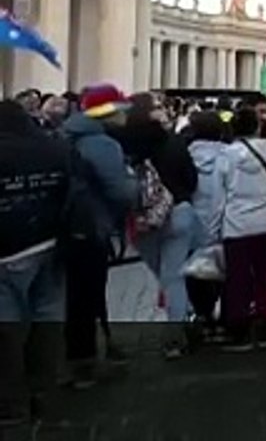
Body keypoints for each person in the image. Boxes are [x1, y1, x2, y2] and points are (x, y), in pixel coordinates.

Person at [0, 100, 73, 427]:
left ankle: (12, 403)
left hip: (7, 251)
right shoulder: (55, 148)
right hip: (51, 244)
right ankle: (44, 392)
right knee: (47, 319)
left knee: (8, 328)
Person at [61, 85, 139, 388]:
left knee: (73, 296)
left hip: (69, 226)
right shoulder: (102, 145)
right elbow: (121, 192)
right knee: (88, 294)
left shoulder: (66, 133)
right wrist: (133, 181)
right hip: (93, 226)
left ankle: (74, 356)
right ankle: (83, 361)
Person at [114, 93, 199, 356]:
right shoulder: (173, 141)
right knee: (173, 276)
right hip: (180, 211)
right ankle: (176, 334)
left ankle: (178, 315)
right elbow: (191, 179)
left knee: (160, 273)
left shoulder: (123, 145)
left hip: (144, 219)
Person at [221, 107, 266, 351]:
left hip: (236, 224)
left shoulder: (227, 155)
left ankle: (239, 333)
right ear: (257, 126)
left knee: (238, 280)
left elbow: (218, 192)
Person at [185, 111, 230, 336]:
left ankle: (201, 313)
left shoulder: (185, 155)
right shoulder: (229, 157)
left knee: (193, 271)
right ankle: (213, 311)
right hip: (222, 222)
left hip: (192, 223)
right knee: (219, 270)